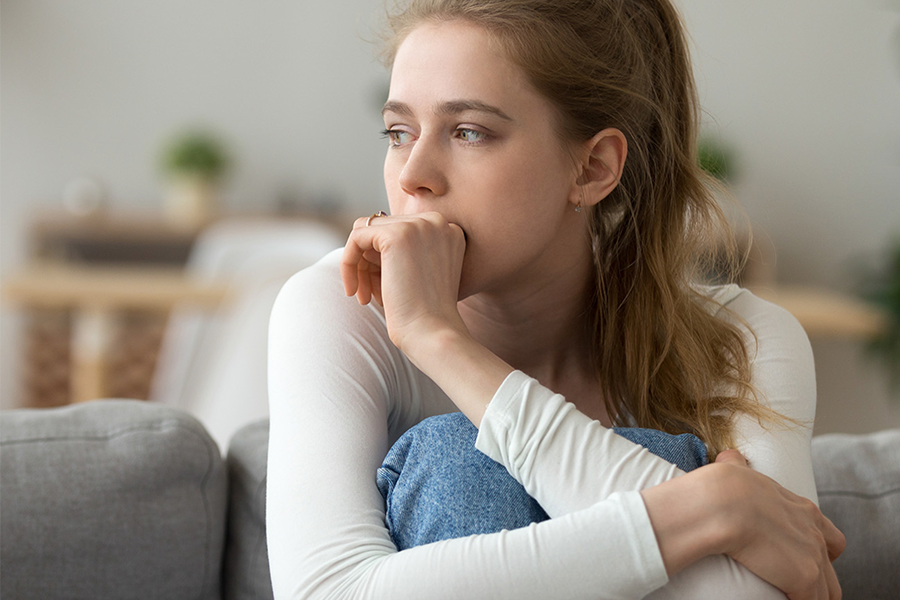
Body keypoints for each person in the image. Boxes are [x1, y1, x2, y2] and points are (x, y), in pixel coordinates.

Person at [266, 0, 845, 598]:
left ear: (592, 168)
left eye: (469, 132)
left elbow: (764, 592)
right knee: (455, 463)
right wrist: (704, 508)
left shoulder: (745, 339)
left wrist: (447, 347)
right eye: (398, 132)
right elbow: (325, 592)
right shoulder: (338, 307)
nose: (413, 174)